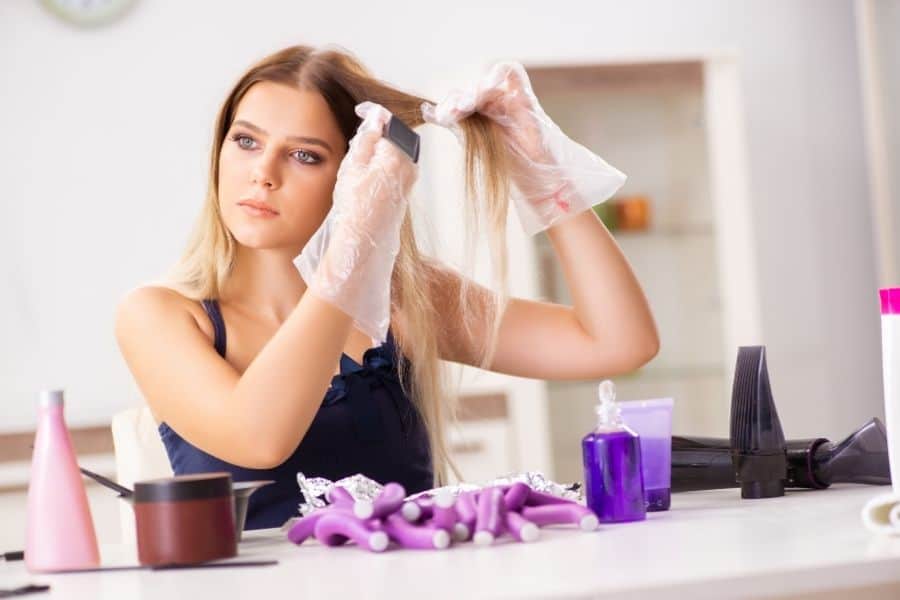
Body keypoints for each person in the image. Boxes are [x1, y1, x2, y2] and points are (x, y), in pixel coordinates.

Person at [115, 45, 659, 529]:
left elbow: (618, 341)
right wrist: (352, 248)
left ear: (355, 170)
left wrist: (539, 168)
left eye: (305, 155)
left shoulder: (407, 300)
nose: (263, 173)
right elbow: (261, 439)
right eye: (246, 141)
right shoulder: (159, 316)